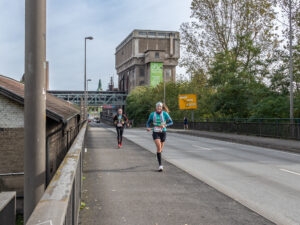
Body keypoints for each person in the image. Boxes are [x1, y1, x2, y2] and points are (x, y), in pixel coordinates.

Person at [146, 102, 173, 172]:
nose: (159, 108)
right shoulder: (152, 114)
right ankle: (160, 165)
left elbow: (171, 122)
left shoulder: (165, 114)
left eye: (160, 107)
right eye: (158, 107)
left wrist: (165, 125)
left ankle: (158, 154)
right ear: (156, 107)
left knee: (160, 149)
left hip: (163, 132)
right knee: (158, 147)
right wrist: (148, 127)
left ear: (161, 107)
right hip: (155, 132)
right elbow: (148, 122)